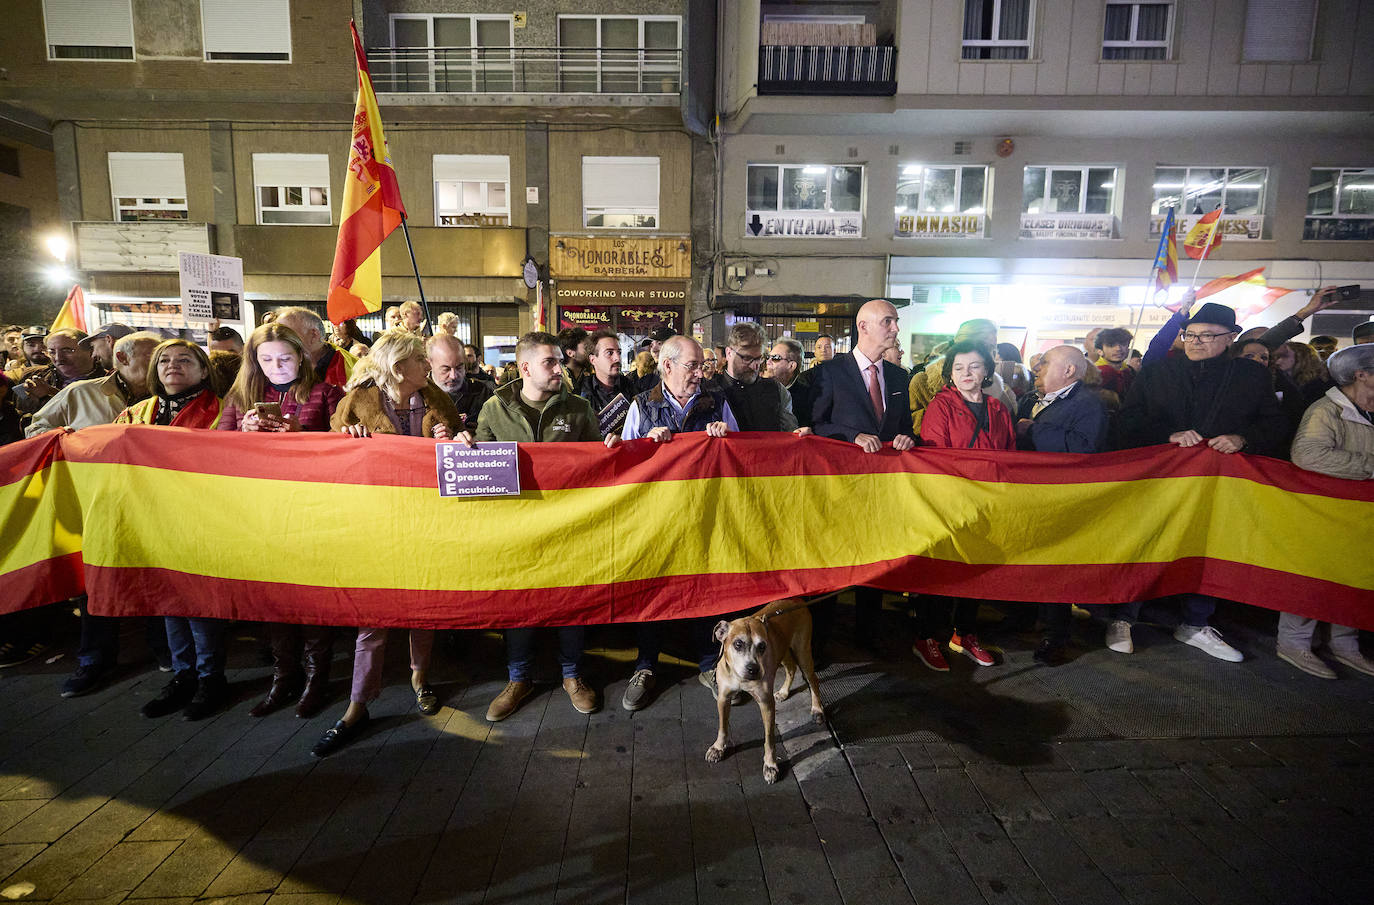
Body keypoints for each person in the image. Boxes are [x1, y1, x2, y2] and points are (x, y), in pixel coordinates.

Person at [313, 330, 463, 757]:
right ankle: (358, 704)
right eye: (420, 358)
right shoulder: (357, 402)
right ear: (399, 369)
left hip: (427, 521)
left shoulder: (436, 398)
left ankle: (419, 679)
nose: (426, 365)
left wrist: (452, 440)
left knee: (423, 607)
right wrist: (349, 438)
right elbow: (334, 451)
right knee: (373, 616)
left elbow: (453, 436)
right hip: (377, 523)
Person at [1119, 302, 1288, 662]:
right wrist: (1169, 434)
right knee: (1146, 543)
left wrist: (1243, 439)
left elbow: (1275, 424)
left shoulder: (1251, 376)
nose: (1196, 342)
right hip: (1160, 481)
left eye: (1207, 335)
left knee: (1209, 549)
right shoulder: (1157, 371)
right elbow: (1126, 422)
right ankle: (1122, 617)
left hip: (1219, 484)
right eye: (1190, 334)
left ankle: (1195, 623)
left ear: (1230, 338)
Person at [468, 332, 612, 721]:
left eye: (559, 362)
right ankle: (518, 678)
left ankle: (572, 675)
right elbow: (477, 470)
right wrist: (463, 444)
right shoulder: (494, 410)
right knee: (519, 603)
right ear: (526, 367)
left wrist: (609, 449)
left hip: (569, 526)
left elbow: (597, 468)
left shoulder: (579, 408)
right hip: (516, 531)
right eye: (550, 362)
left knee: (570, 602)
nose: (559, 369)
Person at [25, 331, 169, 696]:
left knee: (156, 577)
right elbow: (36, 430)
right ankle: (94, 660)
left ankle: (165, 651)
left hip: (153, 505)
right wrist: (68, 439)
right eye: (153, 359)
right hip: (99, 504)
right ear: (121, 359)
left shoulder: (168, 399)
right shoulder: (80, 393)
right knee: (98, 585)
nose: (161, 366)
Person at [217, 323, 344, 716]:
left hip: (310, 512)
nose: (276, 366)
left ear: (302, 357)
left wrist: (300, 433)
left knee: (311, 599)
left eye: (285, 358)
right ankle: (283, 677)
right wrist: (242, 432)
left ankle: (316, 678)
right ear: (254, 361)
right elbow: (216, 453)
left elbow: (344, 451)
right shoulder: (239, 397)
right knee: (274, 600)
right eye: (266, 359)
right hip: (262, 513)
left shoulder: (327, 393)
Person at [619, 335, 736, 710]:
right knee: (654, 590)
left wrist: (725, 437)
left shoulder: (716, 402)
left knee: (705, 586)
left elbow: (741, 455)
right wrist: (646, 446)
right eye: (692, 366)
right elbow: (623, 464)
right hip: (657, 518)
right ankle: (646, 665)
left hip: (705, 514)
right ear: (666, 366)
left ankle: (709, 663)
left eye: (702, 365)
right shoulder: (641, 406)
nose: (700, 373)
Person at [116, 339, 228, 720]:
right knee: (168, 602)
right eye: (164, 359)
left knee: (198, 603)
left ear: (202, 370)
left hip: (202, 520)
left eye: (184, 359)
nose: (172, 365)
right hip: (153, 520)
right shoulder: (136, 412)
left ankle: (211, 678)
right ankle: (183, 676)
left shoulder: (223, 410)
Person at [809, 300, 918, 654]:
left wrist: (907, 438)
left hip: (881, 493)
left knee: (875, 566)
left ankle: (868, 638)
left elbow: (904, 429)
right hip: (839, 490)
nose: (896, 328)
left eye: (896, 321)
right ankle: (820, 643)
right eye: (888, 321)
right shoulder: (829, 372)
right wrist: (851, 436)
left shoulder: (900, 377)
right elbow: (815, 426)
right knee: (832, 567)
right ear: (864, 327)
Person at [915, 341, 1014, 670]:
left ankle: (964, 633)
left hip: (986, 504)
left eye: (973, 366)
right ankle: (927, 635)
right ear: (949, 373)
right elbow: (934, 458)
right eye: (958, 368)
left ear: (986, 370)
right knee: (941, 570)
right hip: (950, 503)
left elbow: (1009, 456)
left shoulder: (998, 409)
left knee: (976, 570)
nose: (966, 373)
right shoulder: (941, 406)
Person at [1280, 344, 1374, 678]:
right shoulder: (1325, 410)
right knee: (1313, 577)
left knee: (1354, 576)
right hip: (1324, 512)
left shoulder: (1366, 410)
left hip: (1359, 518)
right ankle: (1294, 642)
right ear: (1361, 375)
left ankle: (1345, 644)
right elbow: (1307, 455)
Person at [1016, 346, 1109, 664]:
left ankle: (1055, 635)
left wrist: (1035, 429)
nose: (1038, 368)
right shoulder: (1034, 398)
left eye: (1045, 363)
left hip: (1062, 500)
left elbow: (1084, 449)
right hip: (1032, 496)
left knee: (1055, 567)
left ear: (1069, 371)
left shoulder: (1088, 404)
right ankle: (1028, 618)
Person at [908, 318, 1016, 431]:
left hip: (984, 448)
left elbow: (1009, 429)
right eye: (985, 346)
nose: (989, 354)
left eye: (993, 348)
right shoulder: (924, 382)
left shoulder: (995, 386)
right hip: (940, 446)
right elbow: (912, 425)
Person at [717, 322, 801, 433]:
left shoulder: (777, 390)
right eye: (747, 358)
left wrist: (801, 436)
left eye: (759, 358)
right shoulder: (710, 390)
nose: (755, 366)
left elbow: (790, 434)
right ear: (729, 353)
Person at [14, 328, 106, 415]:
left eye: (67, 351)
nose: (58, 358)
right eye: (52, 352)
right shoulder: (31, 375)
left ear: (91, 350)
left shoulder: (109, 381)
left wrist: (51, 394)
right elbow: (20, 415)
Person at [274, 306, 358, 389]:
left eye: (286, 334)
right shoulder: (273, 366)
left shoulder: (353, 369)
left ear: (314, 335)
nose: (276, 340)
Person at [577, 329, 637, 436]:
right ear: (593, 359)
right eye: (609, 353)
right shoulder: (580, 392)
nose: (617, 358)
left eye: (619, 352)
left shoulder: (634, 389)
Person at [427, 333, 492, 431]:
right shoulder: (417, 395)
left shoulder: (483, 393)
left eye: (459, 367)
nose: (454, 376)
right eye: (446, 369)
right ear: (429, 364)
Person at [1094, 328, 1134, 397]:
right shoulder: (1095, 374)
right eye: (1111, 345)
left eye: (1123, 344)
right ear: (1099, 351)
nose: (1118, 349)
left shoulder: (1129, 371)